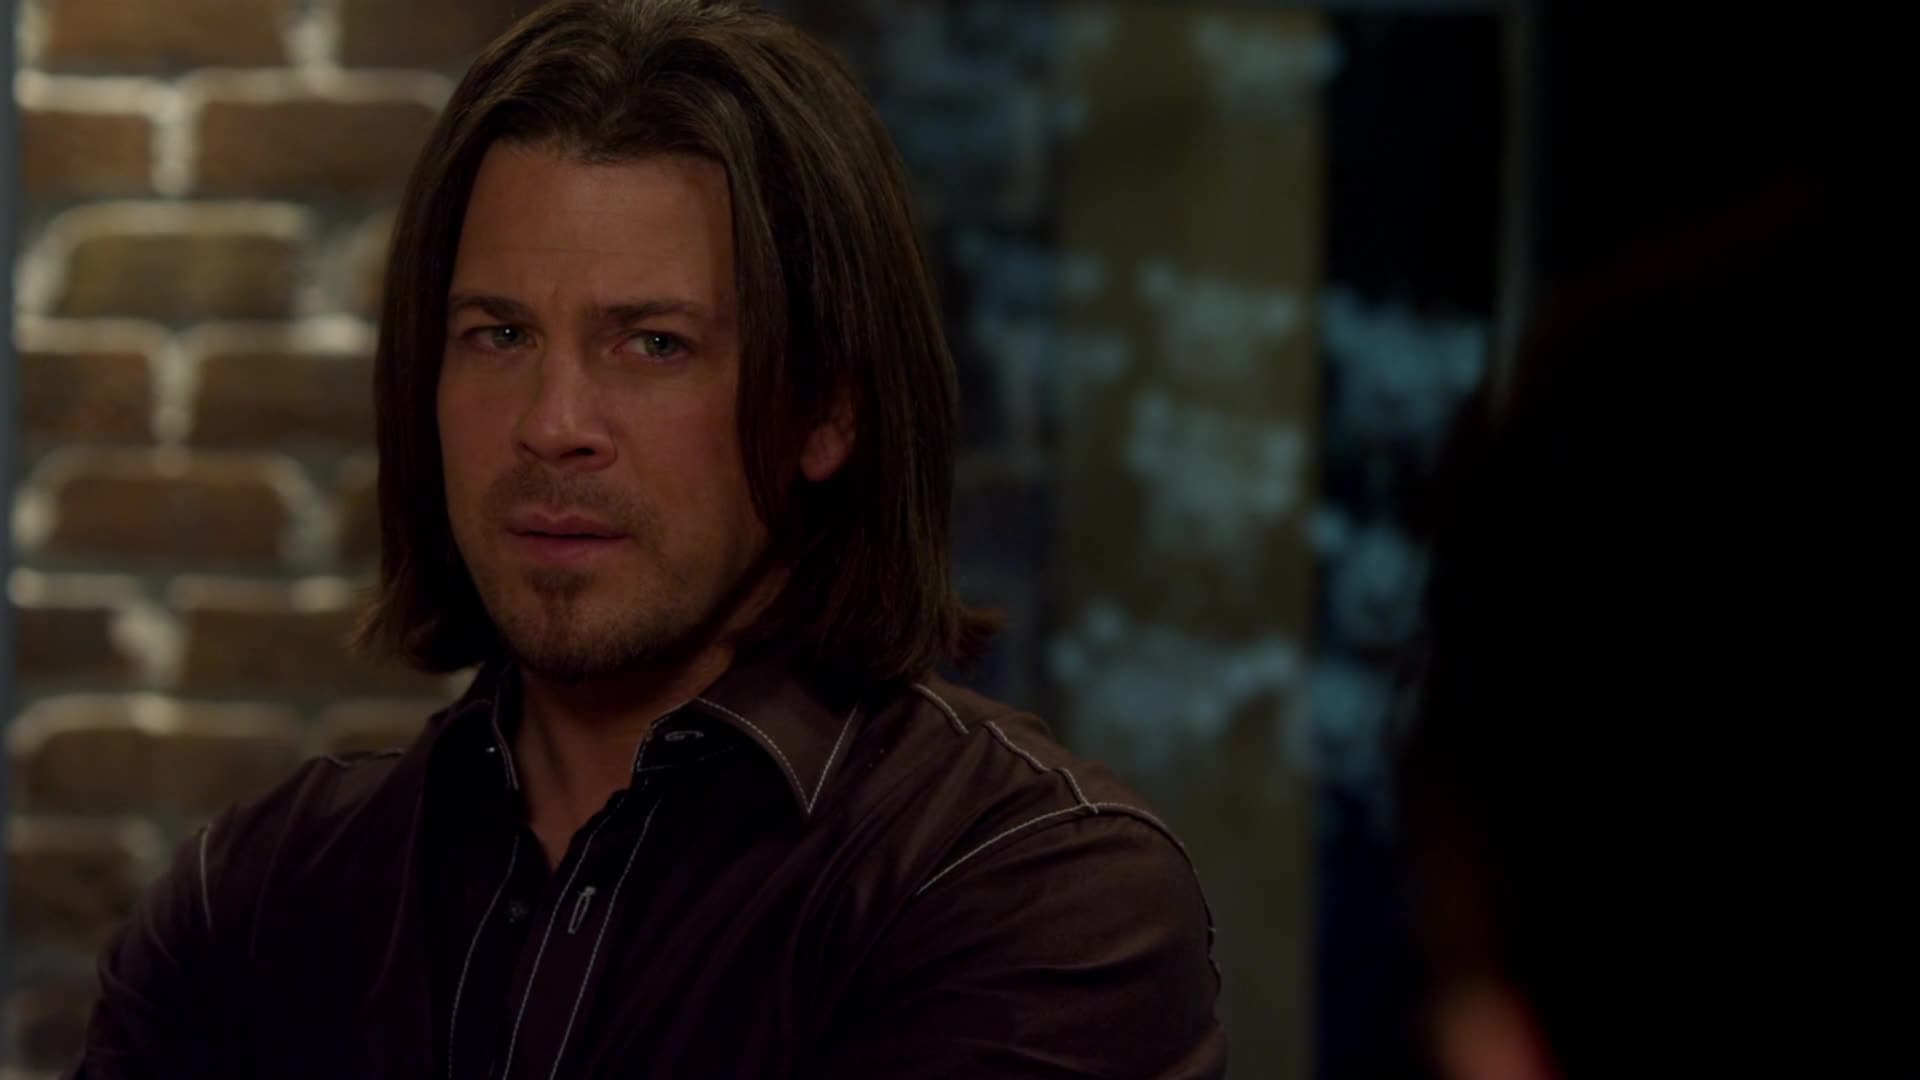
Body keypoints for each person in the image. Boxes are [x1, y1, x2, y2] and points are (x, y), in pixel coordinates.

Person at [67, 2, 1225, 1076]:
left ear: (827, 411)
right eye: (500, 335)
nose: (552, 424)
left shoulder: (1025, 887)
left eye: (653, 345)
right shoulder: (251, 903)